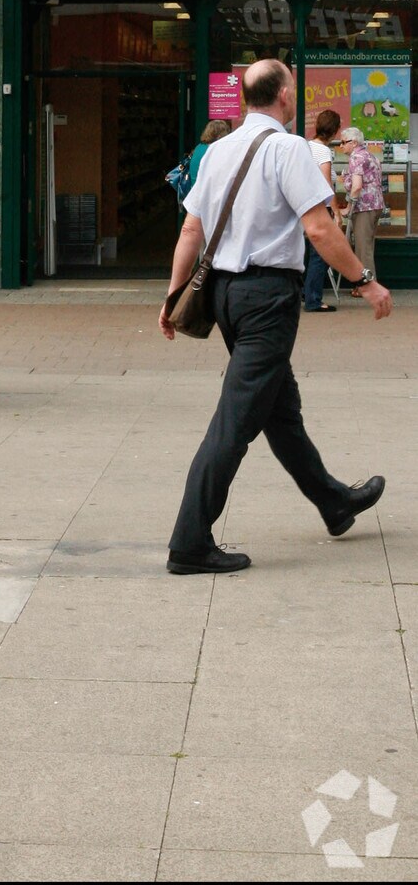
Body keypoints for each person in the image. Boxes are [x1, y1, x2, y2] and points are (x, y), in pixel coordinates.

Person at [160, 58, 391, 576]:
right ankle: (189, 543)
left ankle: (334, 502)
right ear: (285, 95)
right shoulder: (288, 149)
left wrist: (173, 296)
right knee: (234, 423)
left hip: (223, 295)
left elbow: (190, 232)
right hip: (266, 299)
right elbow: (320, 229)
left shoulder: (217, 151)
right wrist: (364, 280)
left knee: (278, 412)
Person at [339, 125, 387, 295]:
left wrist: (348, 207)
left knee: (362, 247)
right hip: (376, 205)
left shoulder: (356, 158)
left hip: (364, 207)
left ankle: (367, 288)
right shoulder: (371, 156)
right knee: (367, 245)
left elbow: (357, 187)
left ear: (353, 142)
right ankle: (365, 285)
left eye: (344, 142)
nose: (341, 146)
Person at [303, 108, 342, 313]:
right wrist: (335, 211)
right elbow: (326, 183)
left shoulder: (307, 147)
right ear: (335, 131)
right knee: (322, 255)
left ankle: (306, 292)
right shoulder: (323, 151)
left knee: (311, 254)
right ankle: (313, 299)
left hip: (305, 206)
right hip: (321, 209)